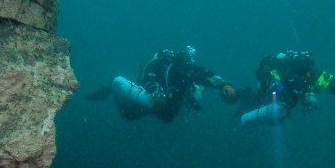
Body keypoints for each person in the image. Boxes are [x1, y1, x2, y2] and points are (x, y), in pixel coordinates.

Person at [86, 46, 237, 123]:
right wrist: (156, 92)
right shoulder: (161, 65)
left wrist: (224, 84)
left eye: (188, 65)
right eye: (183, 64)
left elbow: (206, 75)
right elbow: (148, 76)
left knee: (168, 118)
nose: (186, 69)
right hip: (154, 99)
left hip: (168, 107)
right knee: (128, 114)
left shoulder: (190, 70)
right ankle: (114, 88)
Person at [239, 50, 335, 126]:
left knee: (276, 113)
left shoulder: (302, 70)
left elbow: (322, 79)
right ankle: (246, 117)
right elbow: (273, 77)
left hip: (286, 96)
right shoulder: (279, 67)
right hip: (279, 95)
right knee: (274, 112)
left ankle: (247, 117)